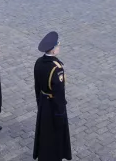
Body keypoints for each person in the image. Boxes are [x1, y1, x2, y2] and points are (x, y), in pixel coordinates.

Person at [33, 31, 71, 161]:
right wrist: (61, 114)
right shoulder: (57, 69)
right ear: (53, 51)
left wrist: (40, 103)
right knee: (55, 138)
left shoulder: (38, 62)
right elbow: (59, 94)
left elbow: (37, 87)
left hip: (44, 103)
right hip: (54, 107)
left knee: (45, 136)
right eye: (58, 46)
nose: (59, 47)